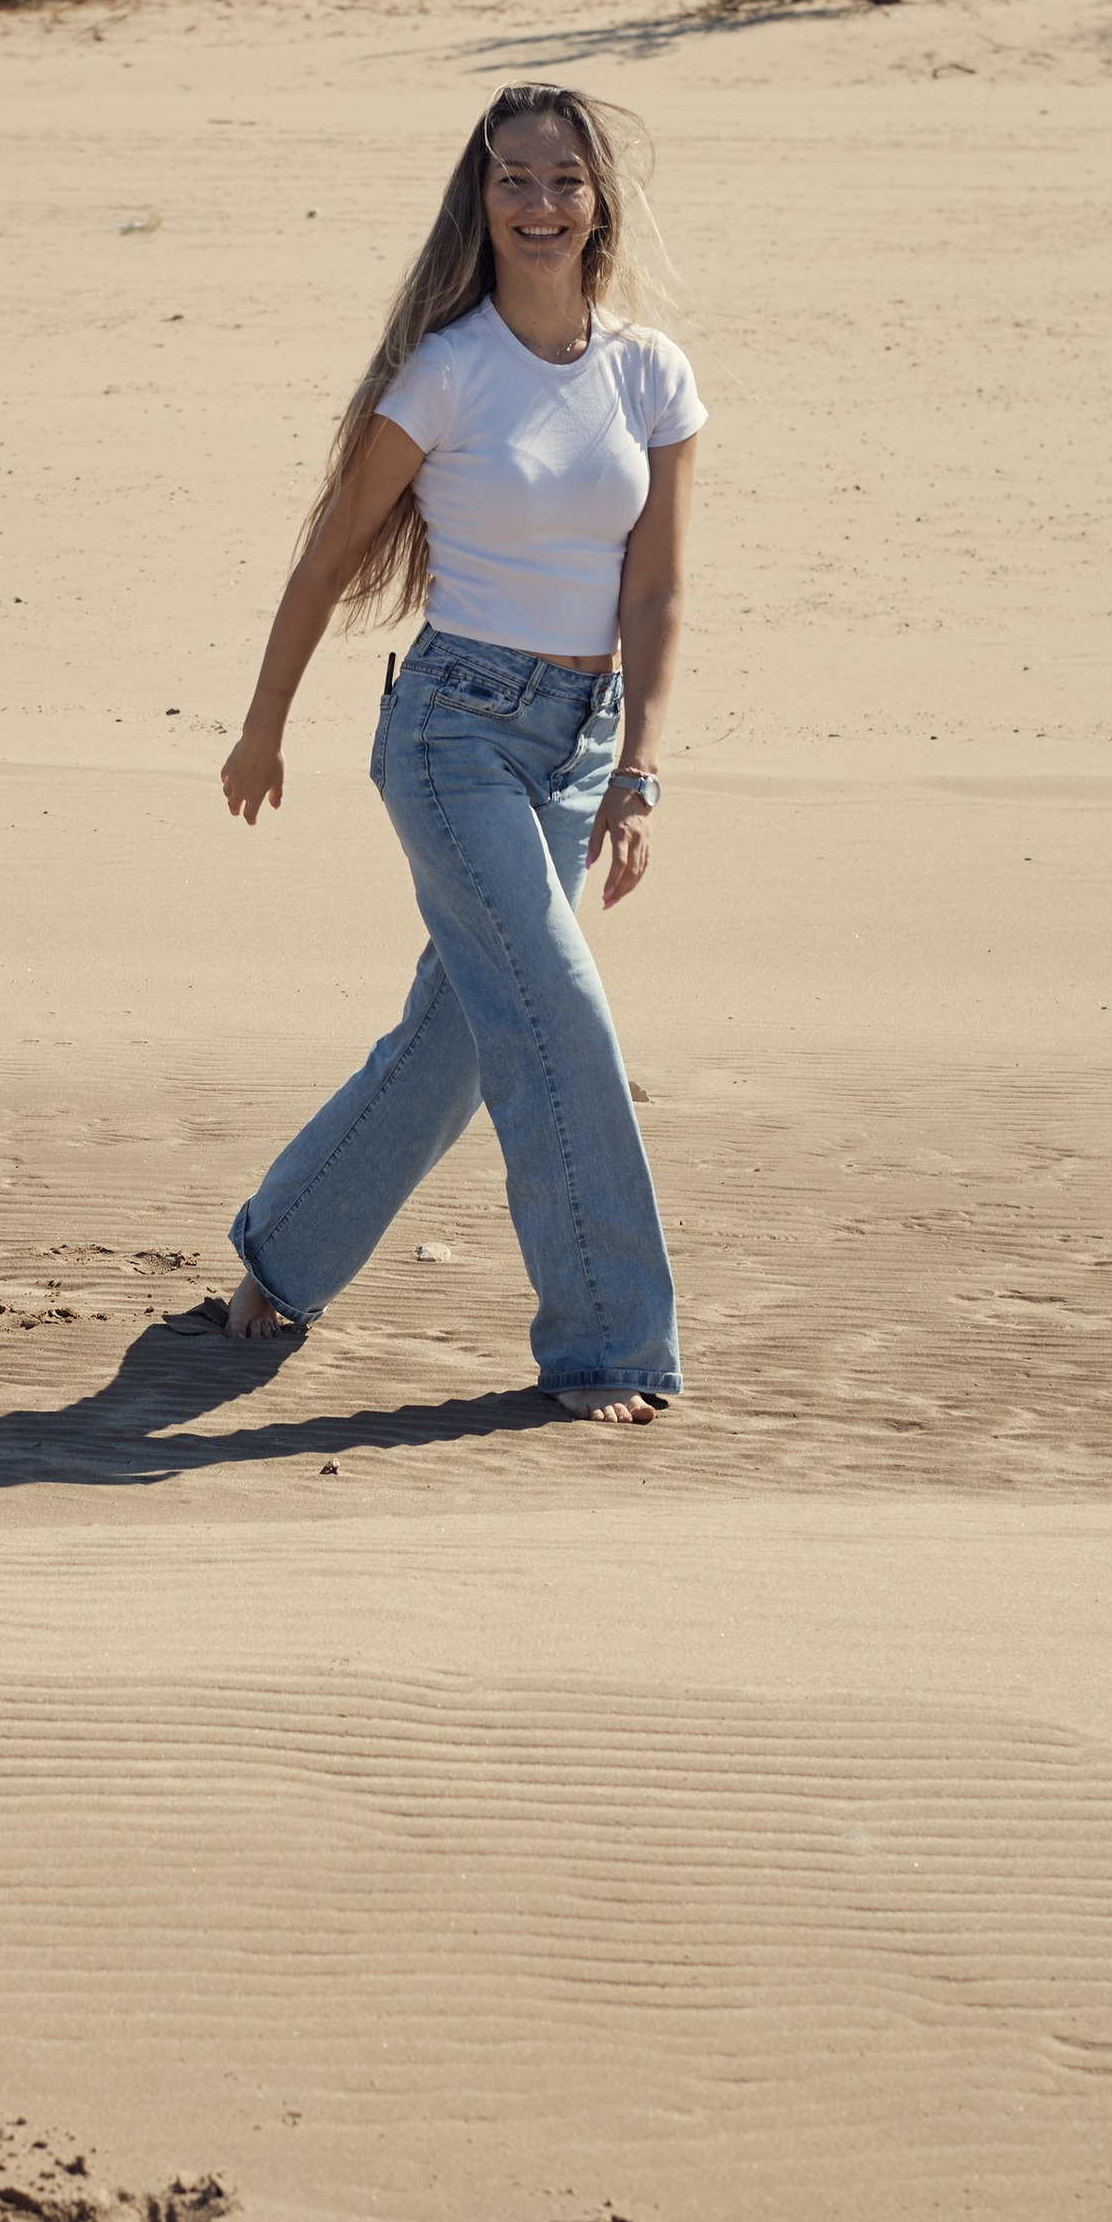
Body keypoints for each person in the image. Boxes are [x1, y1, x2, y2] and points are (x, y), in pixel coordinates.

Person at [219, 86, 702, 1425]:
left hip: (581, 742)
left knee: (457, 1039)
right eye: (513, 181)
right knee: (557, 1013)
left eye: (564, 181)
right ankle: (607, 1344)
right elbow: (329, 555)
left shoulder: (651, 374)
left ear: (598, 202)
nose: (540, 204)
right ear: (478, 203)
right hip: (453, 734)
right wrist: (264, 725)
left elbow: (658, 590)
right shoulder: (445, 370)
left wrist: (638, 771)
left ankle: (283, 1252)